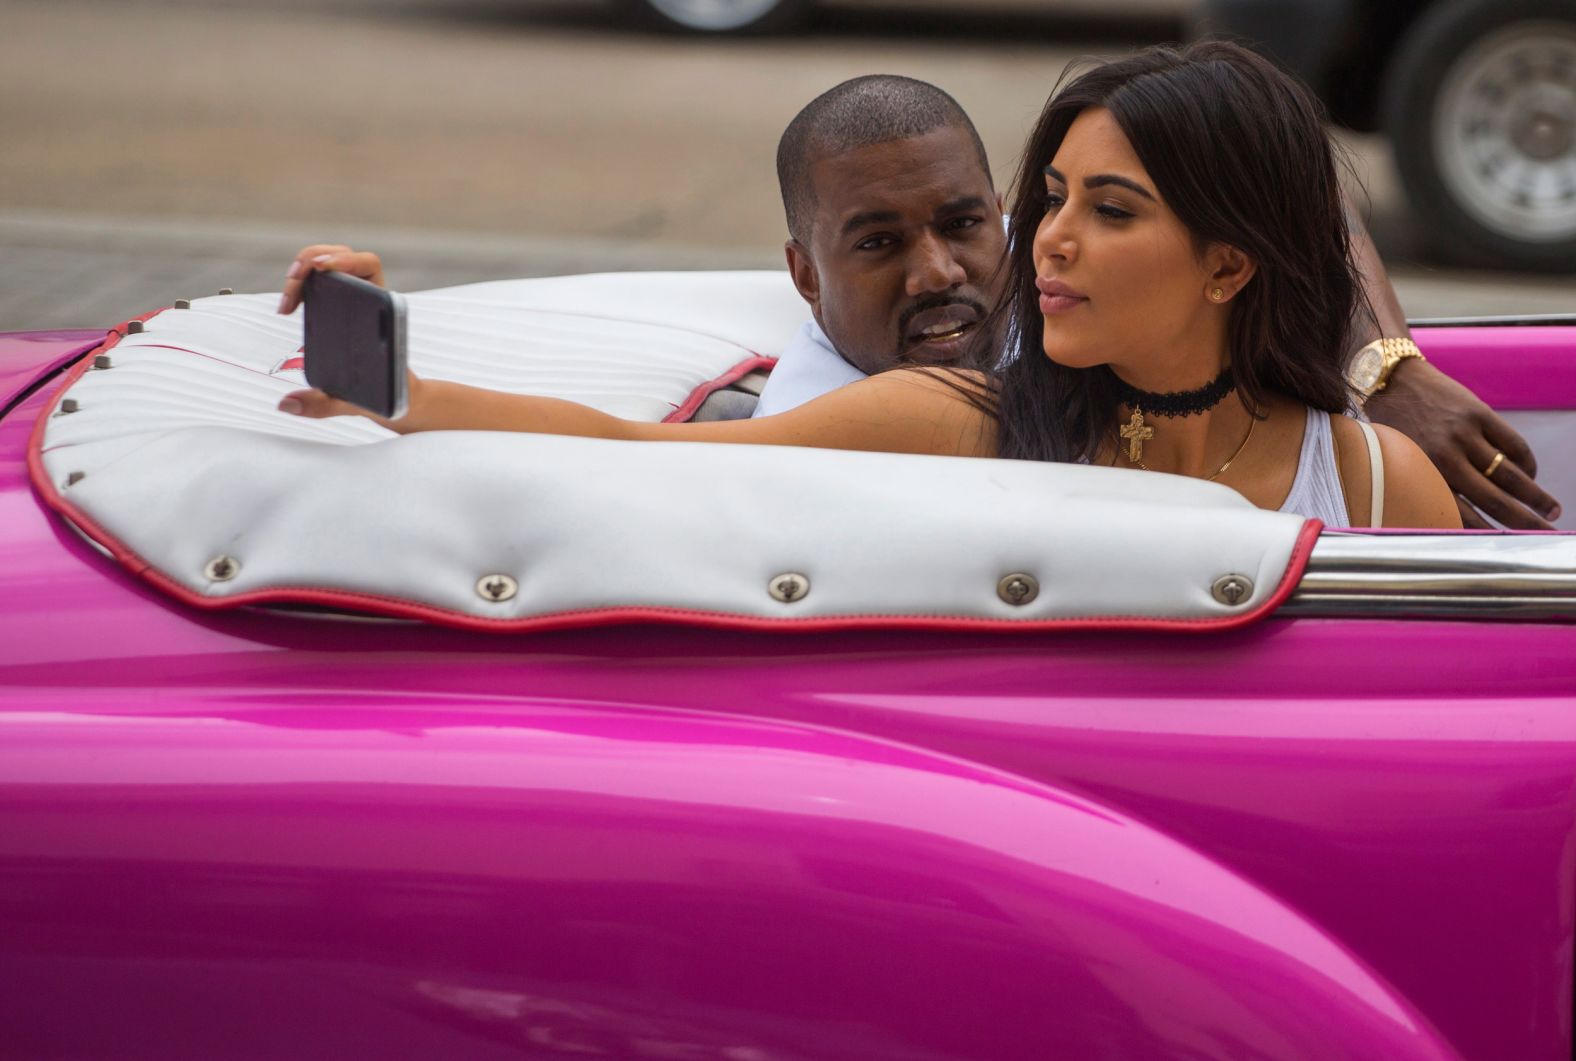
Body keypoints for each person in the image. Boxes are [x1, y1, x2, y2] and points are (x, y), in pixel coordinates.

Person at [275, 53, 1547, 528]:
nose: (1044, 242)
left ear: (1228, 261)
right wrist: (396, 385)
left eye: (1108, 212)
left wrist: (1390, 367)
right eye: (1047, 199)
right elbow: (637, 458)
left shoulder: (1380, 482)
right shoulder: (957, 417)